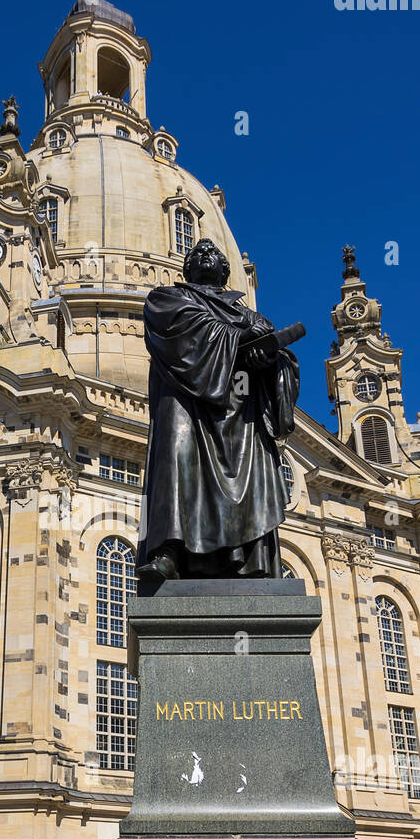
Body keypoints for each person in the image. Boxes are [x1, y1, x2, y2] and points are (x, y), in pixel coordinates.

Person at [136, 238, 302, 581]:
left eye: (213, 252)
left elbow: (280, 367)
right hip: (186, 402)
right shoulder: (169, 298)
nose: (205, 254)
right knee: (177, 455)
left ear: (227, 271)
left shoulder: (250, 315)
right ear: (187, 267)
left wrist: (267, 360)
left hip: (240, 414)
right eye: (197, 252)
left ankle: (247, 561)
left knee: (248, 472)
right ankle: (170, 552)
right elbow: (183, 331)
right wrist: (240, 336)